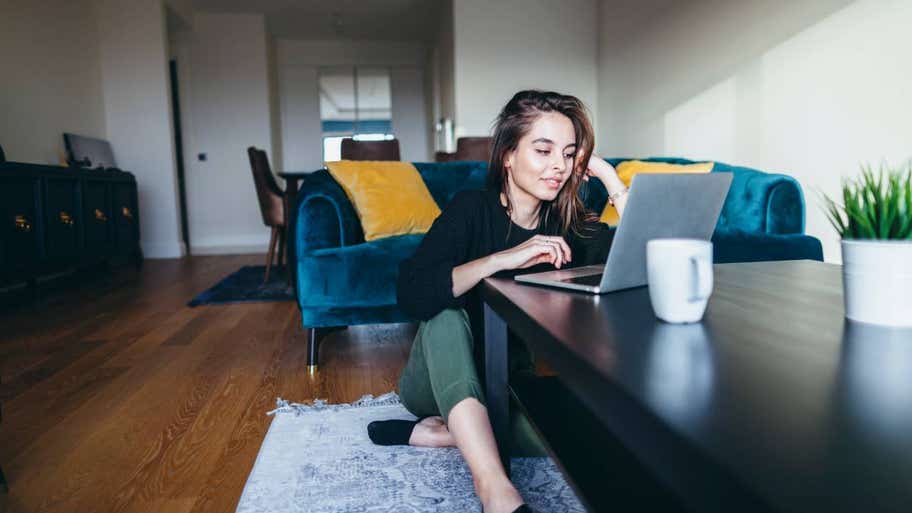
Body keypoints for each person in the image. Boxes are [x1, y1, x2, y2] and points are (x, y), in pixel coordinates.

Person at [367, 90, 629, 513]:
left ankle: (441, 434)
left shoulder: (568, 225)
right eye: (543, 150)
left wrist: (609, 179)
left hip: (505, 385)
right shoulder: (471, 209)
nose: (558, 166)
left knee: (587, 434)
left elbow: (639, 262)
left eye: (567, 154)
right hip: (435, 380)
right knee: (444, 310)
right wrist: (500, 260)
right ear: (507, 154)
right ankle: (495, 491)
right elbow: (413, 291)